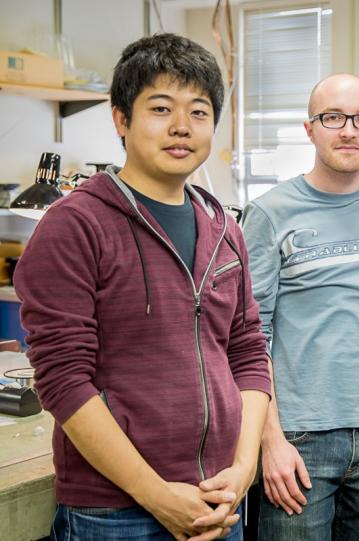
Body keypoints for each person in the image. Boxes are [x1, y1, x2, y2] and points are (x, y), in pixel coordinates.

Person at [15, 33, 271, 541]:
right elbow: (64, 381)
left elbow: (247, 353)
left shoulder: (225, 228)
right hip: (116, 513)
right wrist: (156, 494)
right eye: (160, 107)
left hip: (220, 498)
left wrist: (243, 471)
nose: (182, 126)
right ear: (121, 120)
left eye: (199, 112)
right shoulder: (75, 226)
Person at [242, 73, 359, 541]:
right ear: (310, 129)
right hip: (301, 440)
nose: (348, 130)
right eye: (333, 117)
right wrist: (271, 441)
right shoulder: (269, 214)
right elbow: (249, 339)